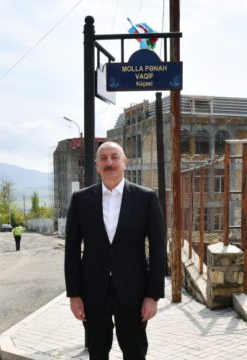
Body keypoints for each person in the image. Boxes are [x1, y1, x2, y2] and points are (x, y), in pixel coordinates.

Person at [65, 141, 166, 360]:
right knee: (97, 352)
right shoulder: (81, 200)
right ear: (96, 164)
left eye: (114, 157)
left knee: (135, 352)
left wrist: (153, 295)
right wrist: (74, 295)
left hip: (134, 293)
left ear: (124, 162)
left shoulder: (146, 198)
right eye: (103, 158)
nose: (109, 162)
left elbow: (158, 249)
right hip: (93, 293)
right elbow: (71, 251)